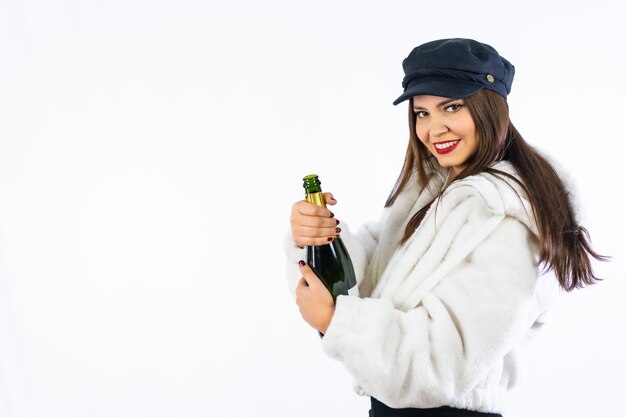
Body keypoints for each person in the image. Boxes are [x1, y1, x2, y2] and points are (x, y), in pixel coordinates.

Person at [285, 38, 607, 417]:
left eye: (451, 107)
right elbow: (379, 276)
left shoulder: (506, 219)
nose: (433, 129)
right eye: (421, 113)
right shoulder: (434, 191)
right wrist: (318, 235)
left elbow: (442, 369)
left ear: (490, 109)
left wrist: (335, 320)